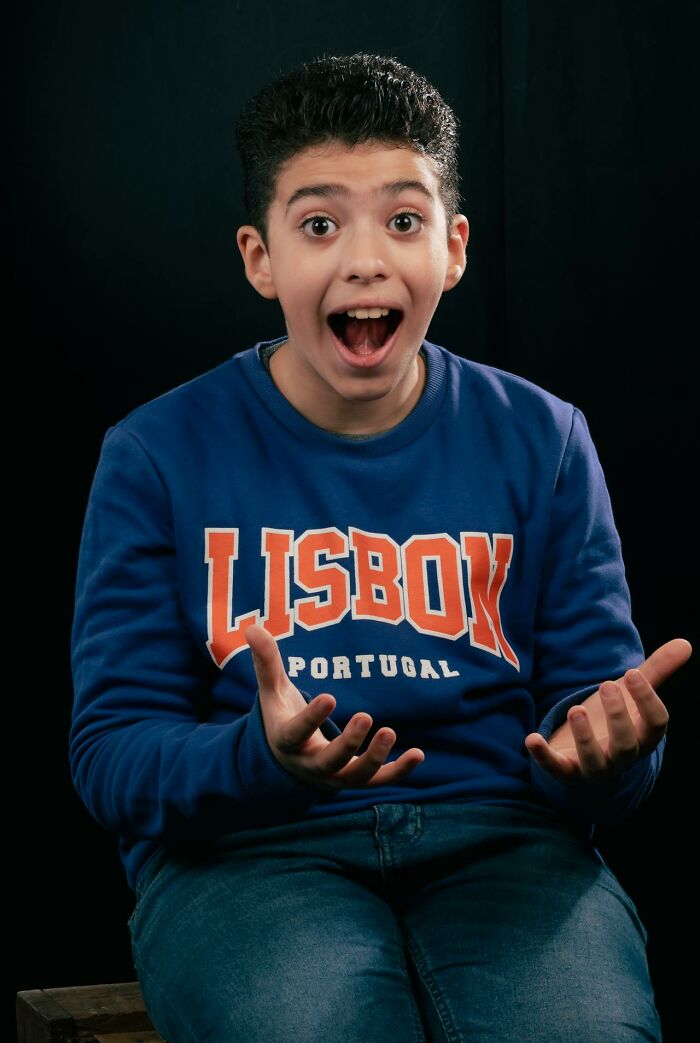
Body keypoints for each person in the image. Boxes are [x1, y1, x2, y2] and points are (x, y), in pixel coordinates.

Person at [69, 52, 691, 1042]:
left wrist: (605, 756)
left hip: (505, 846)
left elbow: (592, 716)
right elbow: (109, 755)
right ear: (258, 256)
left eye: (403, 221)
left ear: (452, 248)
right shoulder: (157, 452)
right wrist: (260, 756)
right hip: (249, 854)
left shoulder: (544, 438)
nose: (364, 260)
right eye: (319, 224)